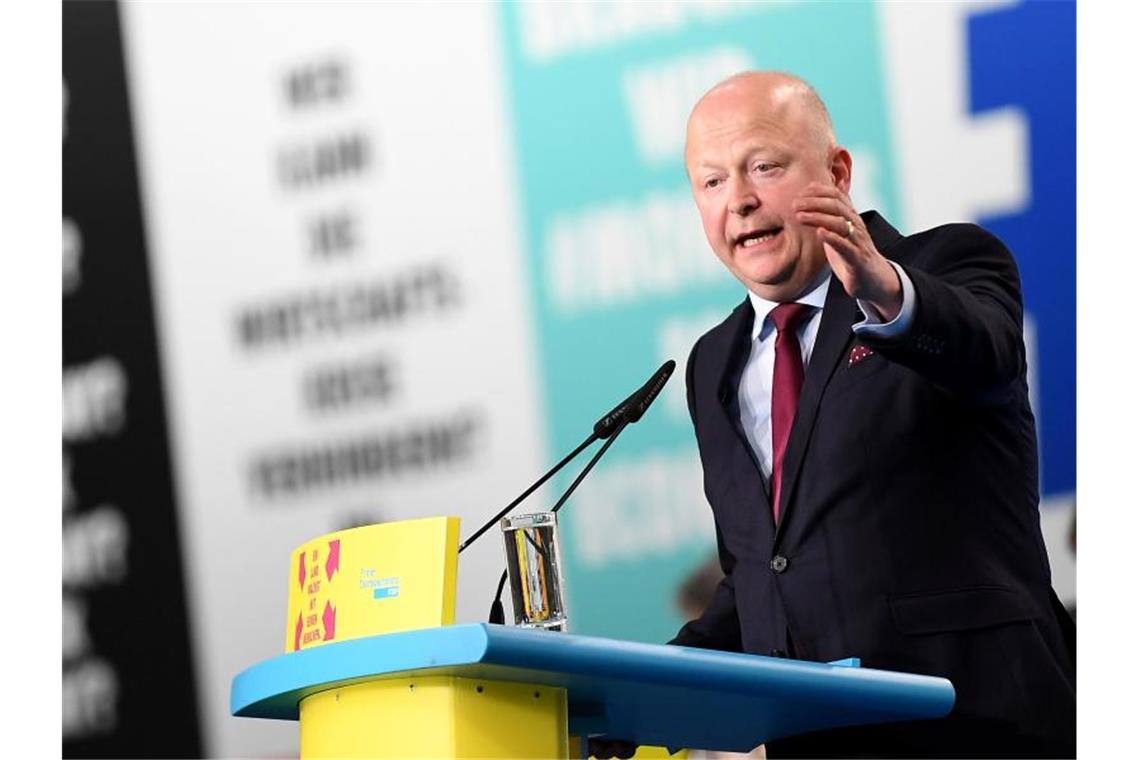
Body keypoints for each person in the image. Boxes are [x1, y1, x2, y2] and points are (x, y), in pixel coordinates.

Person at [592, 71, 1075, 759]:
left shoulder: (949, 263)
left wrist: (884, 291)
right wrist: (636, 695)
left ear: (839, 172)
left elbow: (985, 352)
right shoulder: (713, 363)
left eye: (764, 166)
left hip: (978, 725)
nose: (741, 201)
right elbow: (765, 575)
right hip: (819, 741)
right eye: (712, 183)